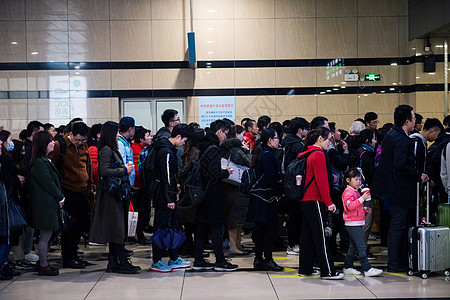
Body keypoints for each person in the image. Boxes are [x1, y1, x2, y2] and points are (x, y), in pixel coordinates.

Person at [372, 105, 428, 272]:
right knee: (398, 224)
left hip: (390, 187)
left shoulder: (391, 134)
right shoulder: (402, 138)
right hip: (398, 189)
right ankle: (395, 262)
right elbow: (400, 165)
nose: (416, 121)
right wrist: (419, 175)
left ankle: (397, 260)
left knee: (397, 224)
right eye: (414, 118)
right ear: (407, 121)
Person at [89, 121, 140, 274]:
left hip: (114, 194)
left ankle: (113, 262)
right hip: (111, 195)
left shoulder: (111, 149)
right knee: (117, 229)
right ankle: (122, 262)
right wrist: (124, 170)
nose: (119, 135)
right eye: (117, 132)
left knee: (115, 229)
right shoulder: (106, 150)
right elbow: (104, 171)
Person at [297, 127, 344, 280]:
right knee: (321, 237)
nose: (330, 143)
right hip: (314, 199)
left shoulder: (309, 153)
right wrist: (329, 202)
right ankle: (328, 271)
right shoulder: (318, 155)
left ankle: (305, 268)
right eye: (329, 139)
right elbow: (322, 181)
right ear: (320, 139)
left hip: (306, 199)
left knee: (308, 236)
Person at [193, 120, 238, 271]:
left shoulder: (204, 145)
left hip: (203, 192)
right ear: (219, 131)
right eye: (225, 133)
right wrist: (226, 172)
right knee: (217, 228)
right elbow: (214, 173)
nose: (226, 136)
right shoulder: (213, 148)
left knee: (201, 228)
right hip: (212, 193)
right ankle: (220, 261)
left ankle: (199, 260)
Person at [48, 122, 92, 269]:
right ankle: (68, 257)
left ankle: (74, 254)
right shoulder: (60, 145)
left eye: (83, 140)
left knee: (81, 224)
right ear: (71, 134)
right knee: (69, 226)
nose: (80, 143)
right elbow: (51, 167)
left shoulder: (84, 146)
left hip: (83, 190)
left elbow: (87, 166)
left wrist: (90, 184)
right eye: (78, 140)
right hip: (67, 190)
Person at [150, 123, 192, 273]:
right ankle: (156, 260)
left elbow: (170, 177)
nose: (183, 144)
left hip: (169, 194)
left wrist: (176, 186)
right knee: (161, 228)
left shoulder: (168, 149)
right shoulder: (165, 151)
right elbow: (166, 176)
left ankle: (174, 258)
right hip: (163, 196)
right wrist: (169, 198)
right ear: (178, 136)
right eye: (184, 140)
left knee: (173, 226)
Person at [247, 128, 283, 271]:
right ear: (269, 140)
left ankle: (258, 259)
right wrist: (280, 191)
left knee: (261, 229)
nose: (278, 140)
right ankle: (267, 259)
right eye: (276, 138)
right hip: (266, 198)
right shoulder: (268, 155)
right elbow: (271, 178)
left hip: (259, 197)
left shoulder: (260, 151)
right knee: (270, 229)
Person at [30, 131, 65, 276]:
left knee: (50, 235)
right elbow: (48, 183)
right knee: (45, 235)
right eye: (50, 141)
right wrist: (60, 197)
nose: (53, 143)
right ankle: (43, 265)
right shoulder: (39, 162)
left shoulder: (45, 160)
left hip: (49, 203)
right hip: (45, 205)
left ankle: (43, 261)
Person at [342, 168, 383, 277]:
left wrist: (364, 208)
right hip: (352, 223)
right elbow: (350, 206)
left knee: (353, 246)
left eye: (360, 180)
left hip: (356, 222)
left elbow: (356, 206)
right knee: (361, 246)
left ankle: (348, 266)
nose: (359, 182)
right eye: (356, 179)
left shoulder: (355, 191)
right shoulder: (348, 192)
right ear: (348, 180)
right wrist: (362, 199)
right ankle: (367, 268)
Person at [220, 125, 252, 255]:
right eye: (242, 134)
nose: (243, 137)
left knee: (237, 218)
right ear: (237, 134)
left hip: (229, 187)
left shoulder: (226, 147)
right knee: (235, 218)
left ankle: (237, 245)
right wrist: (247, 150)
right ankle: (234, 246)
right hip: (235, 187)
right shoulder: (236, 150)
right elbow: (250, 162)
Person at [280, 117, 309, 255]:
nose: (307, 131)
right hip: (296, 185)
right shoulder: (297, 145)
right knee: (296, 216)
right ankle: (293, 244)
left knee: (293, 215)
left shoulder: (286, 142)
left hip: (287, 183)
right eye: (306, 128)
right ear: (300, 130)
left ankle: (293, 243)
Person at [22, 121, 44, 263]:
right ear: (34, 133)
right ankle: (27, 251)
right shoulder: (27, 149)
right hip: (29, 191)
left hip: (33, 190)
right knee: (29, 222)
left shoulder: (34, 148)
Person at [131, 127, 153, 245]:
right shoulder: (137, 150)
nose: (150, 137)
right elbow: (138, 170)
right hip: (138, 186)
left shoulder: (142, 149)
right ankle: (138, 235)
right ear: (141, 139)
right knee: (138, 212)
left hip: (141, 185)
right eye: (148, 135)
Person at [118, 117, 136, 188]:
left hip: (127, 181)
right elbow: (122, 163)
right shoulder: (120, 143)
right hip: (124, 182)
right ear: (130, 129)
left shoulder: (125, 142)